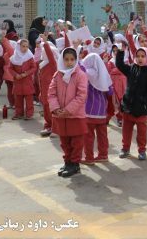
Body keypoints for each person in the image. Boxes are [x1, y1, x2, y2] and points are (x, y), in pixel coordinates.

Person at [48, 48, 88, 178]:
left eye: (72, 59)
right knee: (64, 141)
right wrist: (56, 108)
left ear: (76, 60)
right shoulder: (57, 75)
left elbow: (81, 96)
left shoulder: (80, 75)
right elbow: (51, 93)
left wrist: (68, 110)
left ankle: (75, 164)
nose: (69, 62)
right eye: (66, 59)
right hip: (60, 114)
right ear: (62, 60)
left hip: (75, 115)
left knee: (76, 142)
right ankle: (67, 162)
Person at [115, 47, 147, 160]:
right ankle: (125, 149)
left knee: (141, 132)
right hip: (128, 107)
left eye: (143, 56)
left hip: (141, 108)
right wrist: (121, 51)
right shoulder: (132, 68)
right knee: (126, 131)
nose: (140, 58)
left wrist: (144, 101)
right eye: (138, 56)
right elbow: (119, 65)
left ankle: (142, 150)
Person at [81, 53, 113, 165]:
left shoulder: (86, 73)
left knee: (88, 136)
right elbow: (110, 91)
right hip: (101, 111)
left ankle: (89, 157)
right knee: (102, 135)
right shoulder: (104, 74)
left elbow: (79, 67)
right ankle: (103, 155)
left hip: (89, 110)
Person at [35, 35, 59, 136]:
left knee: (52, 111)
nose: (43, 53)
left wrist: (45, 43)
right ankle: (48, 126)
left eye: (45, 52)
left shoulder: (52, 64)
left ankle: (55, 128)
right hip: (44, 93)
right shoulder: (42, 64)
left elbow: (50, 55)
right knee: (46, 111)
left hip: (51, 93)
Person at [8, 39, 37, 120]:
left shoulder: (30, 56)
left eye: (27, 46)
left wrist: (26, 73)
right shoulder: (14, 57)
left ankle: (29, 114)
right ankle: (18, 113)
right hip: (18, 81)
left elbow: (34, 67)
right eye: (23, 46)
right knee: (18, 99)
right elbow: (10, 68)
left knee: (29, 99)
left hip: (27, 81)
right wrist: (15, 75)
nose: (25, 48)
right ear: (19, 46)